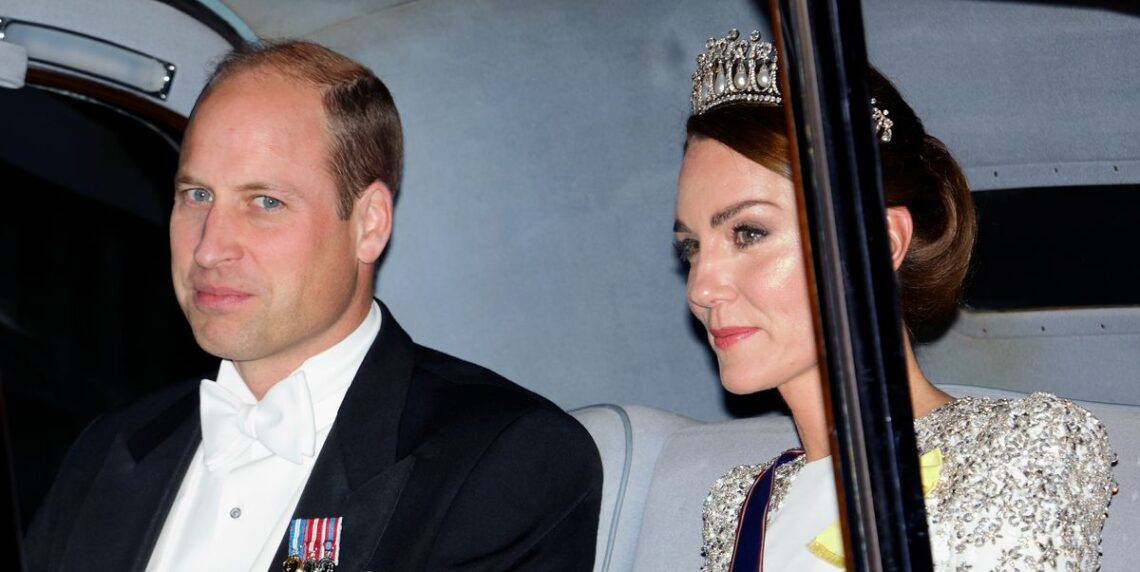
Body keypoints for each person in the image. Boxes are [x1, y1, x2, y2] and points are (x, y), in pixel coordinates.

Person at [24, 40, 602, 572]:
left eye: (265, 201)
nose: (209, 247)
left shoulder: (503, 460)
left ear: (369, 224)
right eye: (197, 195)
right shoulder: (108, 450)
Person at [675, 30, 1116, 571]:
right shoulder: (742, 508)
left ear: (878, 244)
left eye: (748, 233)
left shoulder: (1018, 449)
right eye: (691, 247)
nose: (701, 286)